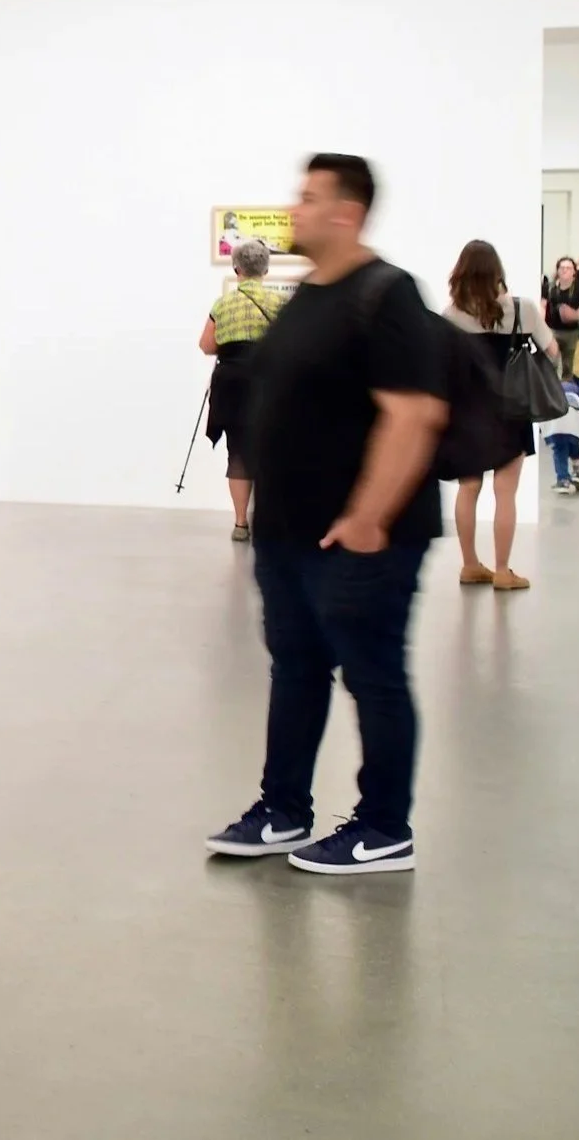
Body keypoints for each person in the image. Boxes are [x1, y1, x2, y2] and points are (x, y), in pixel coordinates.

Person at [205, 154, 447, 875]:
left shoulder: (387, 293)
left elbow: (414, 415)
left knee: (373, 676)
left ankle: (384, 827)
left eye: (307, 198)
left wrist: (369, 518)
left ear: (348, 212)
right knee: (297, 670)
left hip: (363, 538)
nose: (294, 210)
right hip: (289, 533)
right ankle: (283, 809)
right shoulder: (308, 292)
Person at [443, 240, 557, 591]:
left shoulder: (451, 315)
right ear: (497, 272)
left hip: (468, 412)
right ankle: (504, 570)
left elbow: (445, 368)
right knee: (506, 494)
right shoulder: (522, 310)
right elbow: (551, 352)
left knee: (469, 488)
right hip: (512, 410)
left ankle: (470, 565)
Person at [201, 239, 288, 541]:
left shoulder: (222, 304)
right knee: (274, 449)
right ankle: (271, 521)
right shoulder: (280, 304)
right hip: (268, 383)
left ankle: (241, 524)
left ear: (236, 268)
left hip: (232, 384)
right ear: (266, 268)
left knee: (237, 452)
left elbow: (206, 345)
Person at [541, 256, 579, 382]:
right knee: (550, 363)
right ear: (557, 270)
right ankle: (551, 391)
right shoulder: (549, 288)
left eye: (568, 268)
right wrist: (541, 325)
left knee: (569, 367)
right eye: (562, 268)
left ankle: (567, 393)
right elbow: (542, 306)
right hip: (552, 331)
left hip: (571, 332)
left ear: (574, 271)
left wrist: (574, 315)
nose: (565, 270)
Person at [542, 374, 579, 495]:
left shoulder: (552, 388)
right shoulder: (578, 390)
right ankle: (577, 473)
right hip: (575, 416)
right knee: (574, 445)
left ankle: (563, 480)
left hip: (555, 418)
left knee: (560, 450)